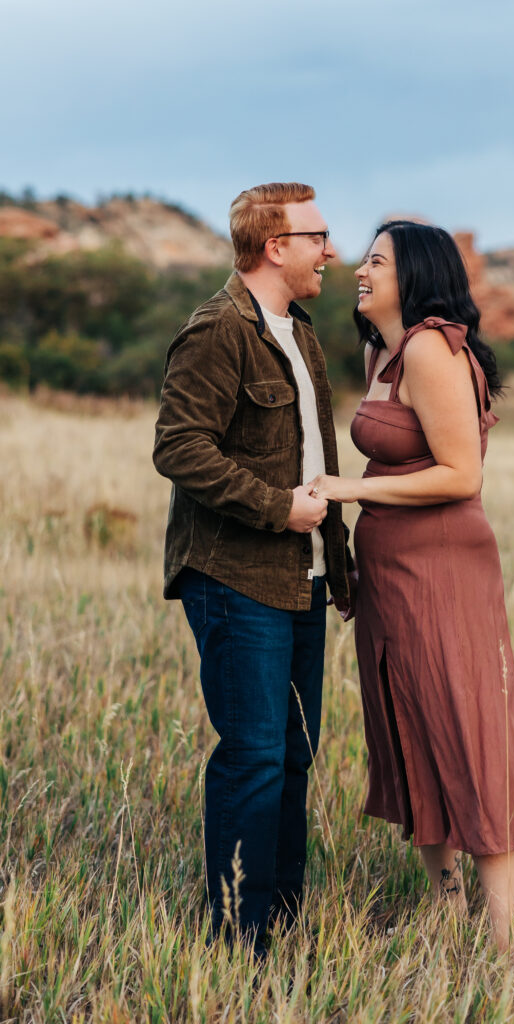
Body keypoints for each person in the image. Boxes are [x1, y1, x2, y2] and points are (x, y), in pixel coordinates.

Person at [309, 220, 514, 951]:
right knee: (405, 726)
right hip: (390, 572)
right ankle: (443, 906)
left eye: (376, 260)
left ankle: (504, 942)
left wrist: (348, 490)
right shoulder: (381, 351)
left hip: (442, 565)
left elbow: (460, 474)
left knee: (466, 728)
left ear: (413, 275)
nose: (359, 269)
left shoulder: (430, 349)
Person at [153, 182, 355, 957]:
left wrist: (331, 566)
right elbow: (178, 448)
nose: (328, 251)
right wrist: (279, 509)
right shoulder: (217, 330)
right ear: (275, 247)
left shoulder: (298, 331)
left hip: (299, 577)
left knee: (294, 754)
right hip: (236, 577)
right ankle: (240, 938)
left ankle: (283, 920)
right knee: (255, 755)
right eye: (317, 236)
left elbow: (313, 454)